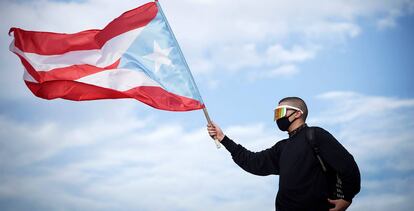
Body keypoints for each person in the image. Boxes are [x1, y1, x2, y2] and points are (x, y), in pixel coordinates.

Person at [207, 97, 360, 211]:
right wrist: (223, 138)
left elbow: (348, 166)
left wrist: (347, 198)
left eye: (280, 111)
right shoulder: (281, 148)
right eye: (276, 113)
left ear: (298, 114)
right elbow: (253, 162)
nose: (278, 117)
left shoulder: (316, 135)